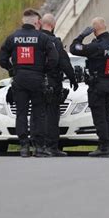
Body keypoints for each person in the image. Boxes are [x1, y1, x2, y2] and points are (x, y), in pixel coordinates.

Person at [0, 9, 58, 158]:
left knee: (21, 113)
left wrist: (12, 69)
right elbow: (54, 58)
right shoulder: (42, 38)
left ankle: (24, 147)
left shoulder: (12, 38)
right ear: (36, 22)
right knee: (39, 114)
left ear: (22, 21)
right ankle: (39, 147)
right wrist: (44, 70)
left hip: (19, 80)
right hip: (37, 80)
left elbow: (1, 58)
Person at [70, 17, 109, 157]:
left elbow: (74, 49)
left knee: (99, 118)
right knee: (108, 117)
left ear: (94, 30)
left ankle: (104, 147)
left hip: (98, 86)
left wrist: (81, 35)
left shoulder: (97, 46)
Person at [40, 13, 79, 157]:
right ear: (53, 25)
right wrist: (73, 79)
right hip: (52, 83)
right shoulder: (54, 42)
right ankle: (51, 147)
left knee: (37, 115)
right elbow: (64, 63)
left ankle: (38, 146)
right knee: (52, 115)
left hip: (35, 83)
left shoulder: (34, 40)